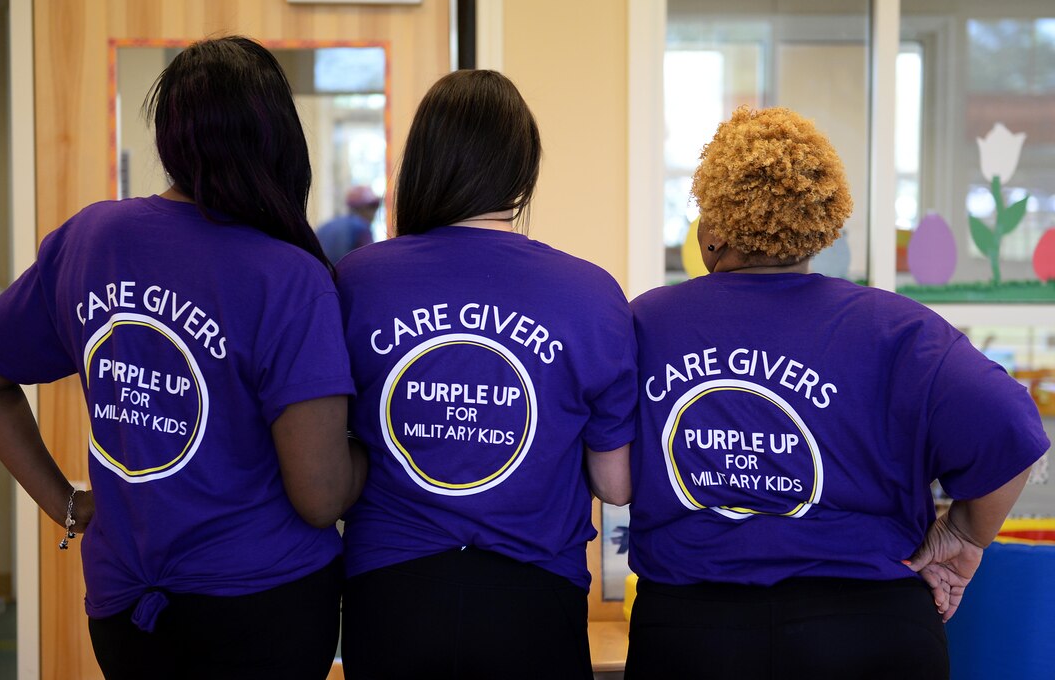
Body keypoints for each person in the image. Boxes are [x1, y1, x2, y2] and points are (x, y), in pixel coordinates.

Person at [0, 36, 367, 680]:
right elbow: (320, 497)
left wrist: (64, 503)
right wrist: (377, 454)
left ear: (170, 137)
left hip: (129, 614)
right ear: (279, 142)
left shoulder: (92, 240)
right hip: (264, 606)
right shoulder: (289, 277)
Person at [624, 105, 1049, 679]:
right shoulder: (899, 328)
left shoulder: (647, 323)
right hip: (871, 632)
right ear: (819, 226)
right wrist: (963, 537)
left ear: (713, 230)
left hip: (695, 634)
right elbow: (1011, 424)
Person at [335, 69, 636, 679]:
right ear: (523, 171)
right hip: (532, 597)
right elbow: (615, 485)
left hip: (390, 594)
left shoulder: (355, 279)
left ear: (422, 163)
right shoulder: (590, 292)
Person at [316, 184, 381, 263]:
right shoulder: (361, 227)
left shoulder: (326, 226)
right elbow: (369, 260)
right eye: (372, 207)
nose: (374, 213)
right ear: (361, 208)